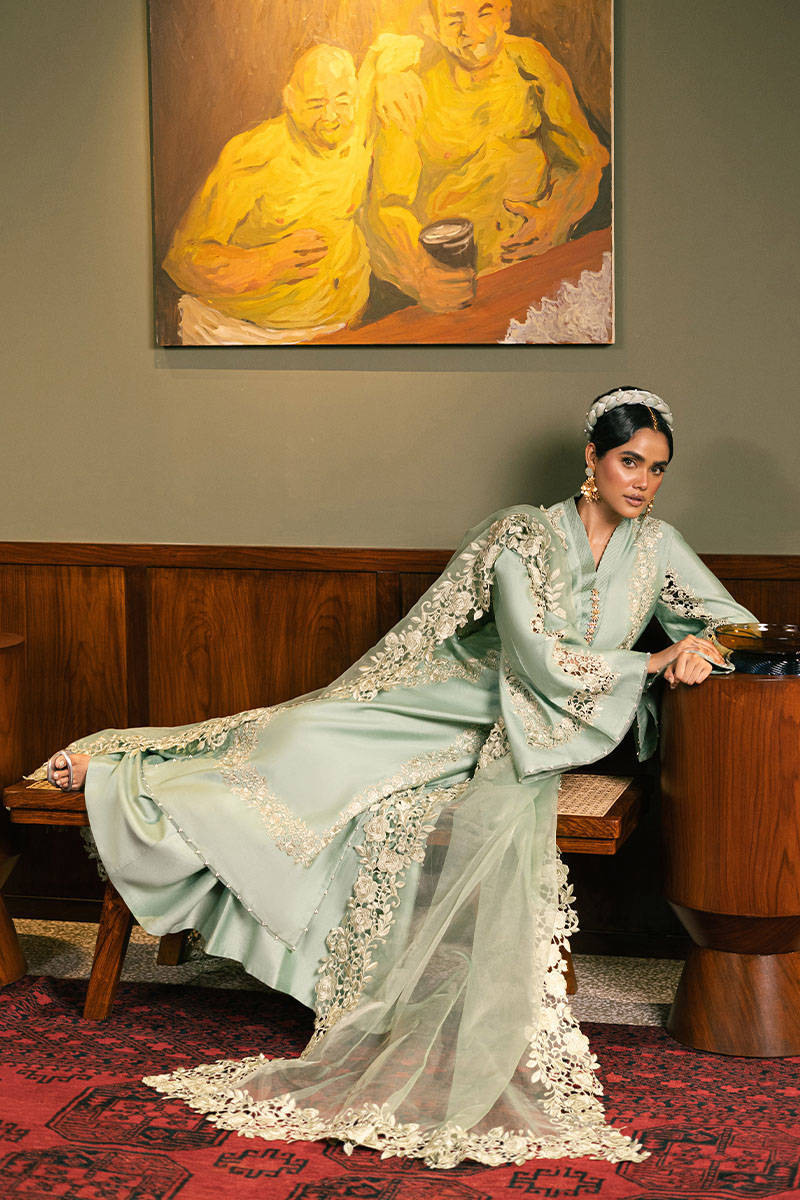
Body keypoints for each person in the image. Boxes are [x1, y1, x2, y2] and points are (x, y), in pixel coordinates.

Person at [44, 388, 756, 1169]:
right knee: (301, 734)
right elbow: (530, 654)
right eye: (629, 461)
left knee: (348, 778)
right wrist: (650, 661)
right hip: (453, 695)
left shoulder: (659, 546)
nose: (643, 481)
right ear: (593, 457)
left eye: (657, 468)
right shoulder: (522, 533)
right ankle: (132, 767)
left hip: (533, 729)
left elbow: (737, 627)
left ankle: (150, 777)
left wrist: (702, 649)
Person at [162, 39, 423, 344]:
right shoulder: (253, 155)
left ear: (356, 96)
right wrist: (265, 263)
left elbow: (396, 43)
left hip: (342, 328)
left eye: (342, 102)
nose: (331, 117)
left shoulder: (359, 125)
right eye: (315, 104)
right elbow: (184, 260)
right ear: (290, 99)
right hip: (248, 334)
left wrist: (391, 74)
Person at [365, 0, 610, 312]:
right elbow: (387, 206)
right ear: (433, 27)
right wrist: (419, 274)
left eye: (485, 12)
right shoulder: (410, 89)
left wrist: (558, 214)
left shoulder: (531, 61)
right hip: (461, 291)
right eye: (454, 20)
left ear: (505, 14)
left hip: (540, 267)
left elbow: (586, 159)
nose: (473, 32)